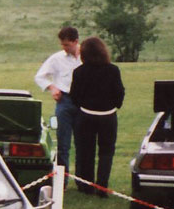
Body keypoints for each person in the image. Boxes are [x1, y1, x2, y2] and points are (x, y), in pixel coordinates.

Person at [68, 36, 124, 198]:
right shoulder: (113, 70)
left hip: (86, 116)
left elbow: (74, 96)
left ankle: (87, 186)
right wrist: (114, 106)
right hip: (108, 117)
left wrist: (84, 106)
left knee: (86, 152)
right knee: (106, 152)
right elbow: (119, 92)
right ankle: (102, 187)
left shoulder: (79, 72)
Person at [34, 26, 81, 172]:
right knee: (63, 144)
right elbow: (40, 76)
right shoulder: (57, 58)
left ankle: (83, 181)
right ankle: (63, 180)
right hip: (65, 102)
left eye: (67, 44)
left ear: (76, 42)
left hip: (83, 102)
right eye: (62, 44)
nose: (64, 47)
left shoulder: (87, 56)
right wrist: (52, 88)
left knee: (83, 143)